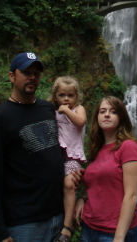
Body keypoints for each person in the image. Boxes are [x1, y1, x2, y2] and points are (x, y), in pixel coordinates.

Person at [0, 52, 78, 242]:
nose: (32, 76)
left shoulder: (48, 109)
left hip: (58, 218)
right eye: (26, 72)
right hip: (23, 224)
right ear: (11, 76)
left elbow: (65, 146)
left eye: (36, 73)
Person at [75, 96, 137, 242]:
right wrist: (82, 199)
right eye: (102, 111)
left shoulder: (129, 147)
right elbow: (102, 189)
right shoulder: (97, 150)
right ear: (97, 117)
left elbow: (132, 195)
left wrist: (119, 238)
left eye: (113, 111)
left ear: (121, 117)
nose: (107, 114)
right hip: (89, 229)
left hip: (116, 233)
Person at [51, 76, 87, 242]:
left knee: (68, 184)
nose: (66, 99)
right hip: (57, 155)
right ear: (55, 96)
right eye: (62, 95)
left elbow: (81, 122)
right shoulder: (52, 111)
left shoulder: (78, 109)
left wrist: (65, 110)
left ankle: (67, 227)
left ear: (76, 96)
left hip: (72, 155)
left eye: (70, 95)